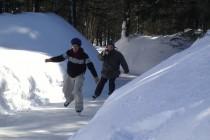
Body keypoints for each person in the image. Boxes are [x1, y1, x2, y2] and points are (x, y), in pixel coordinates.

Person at [45, 37, 99, 113]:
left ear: (79, 46)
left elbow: (91, 67)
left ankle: (79, 108)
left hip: (79, 75)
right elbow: (60, 58)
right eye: (73, 46)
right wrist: (51, 60)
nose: (74, 48)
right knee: (65, 90)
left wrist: (95, 77)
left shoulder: (84, 56)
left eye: (76, 46)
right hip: (69, 74)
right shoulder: (69, 53)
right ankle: (69, 99)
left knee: (77, 91)